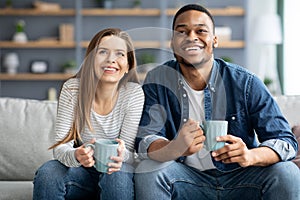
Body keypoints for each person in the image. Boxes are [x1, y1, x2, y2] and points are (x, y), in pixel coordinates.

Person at [134, 4, 300, 200]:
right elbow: (146, 141)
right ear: (172, 42)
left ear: (214, 39)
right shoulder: (158, 80)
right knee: (149, 170)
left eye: (201, 30)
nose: (191, 37)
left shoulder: (245, 82)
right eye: (182, 31)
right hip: (185, 179)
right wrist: (175, 147)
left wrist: (250, 155)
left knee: (287, 172)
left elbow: (285, 141)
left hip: (242, 178)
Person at [33, 28, 144, 200]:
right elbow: (60, 147)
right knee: (49, 172)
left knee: (117, 172)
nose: (111, 60)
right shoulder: (72, 89)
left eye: (120, 54)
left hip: (116, 174)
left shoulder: (133, 93)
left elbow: (130, 154)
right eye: (103, 52)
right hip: (81, 174)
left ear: (128, 65)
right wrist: (77, 155)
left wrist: (122, 155)